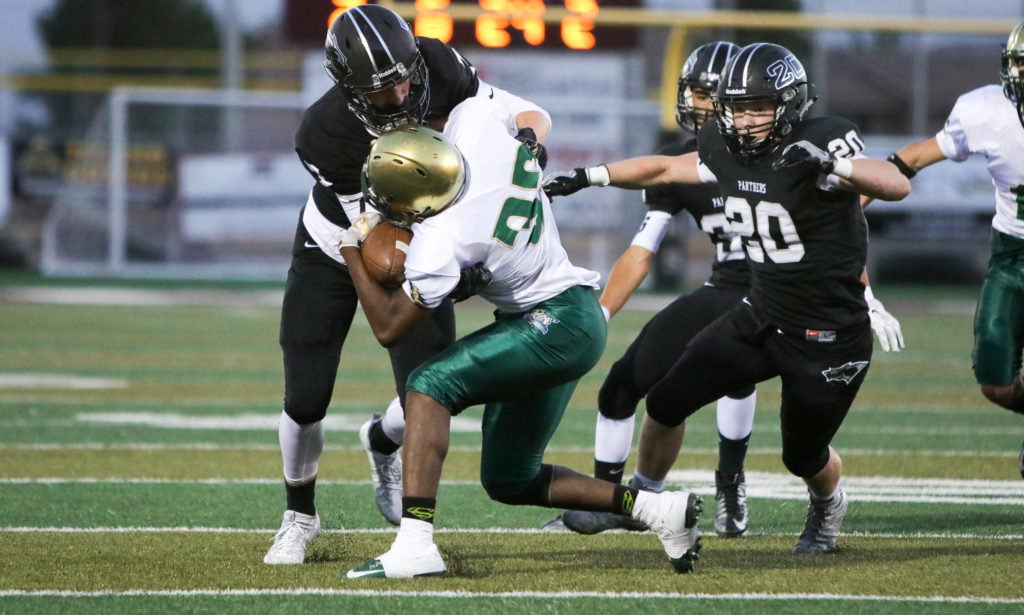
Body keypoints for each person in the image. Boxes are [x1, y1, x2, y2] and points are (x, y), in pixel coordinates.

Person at [543, 42, 910, 554]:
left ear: (791, 104)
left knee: (802, 456)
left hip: (826, 334)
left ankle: (828, 505)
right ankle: (642, 501)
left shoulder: (823, 140)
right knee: (667, 401)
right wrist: (591, 175)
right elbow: (664, 170)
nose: (746, 120)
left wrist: (833, 164)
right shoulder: (720, 142)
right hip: (759, 313)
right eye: (737, 108)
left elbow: (895, 185)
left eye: (759, 107)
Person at [338, 98, 704, 578]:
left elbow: (389, 327)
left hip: (554, 323)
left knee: (428, 384)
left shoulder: (440, 240)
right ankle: (661, 511)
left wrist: (349, 249)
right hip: (567, 314)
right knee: (510, 479)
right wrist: (529, 142)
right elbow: (535, 117)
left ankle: (415, 544)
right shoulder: (475, 123)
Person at [265, 4, 551, 565]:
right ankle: (299, 514)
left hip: (417, 231)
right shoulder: (323, 134)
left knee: (432, 384)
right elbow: (374, 242)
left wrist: (529, 148)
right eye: (381, 90)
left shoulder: (438, 64)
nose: (399, 96)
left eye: (402, 78)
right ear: (348, 90)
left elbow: (523, 115)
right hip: (340, 242)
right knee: (305, 395)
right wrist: (436, 266)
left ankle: (383, 439)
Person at [879, 20, 1024, 476]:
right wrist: (856, 194)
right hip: (1012, 253)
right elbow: (916, 157)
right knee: (995, 383)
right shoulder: (986, 111)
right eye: (1022, 63)